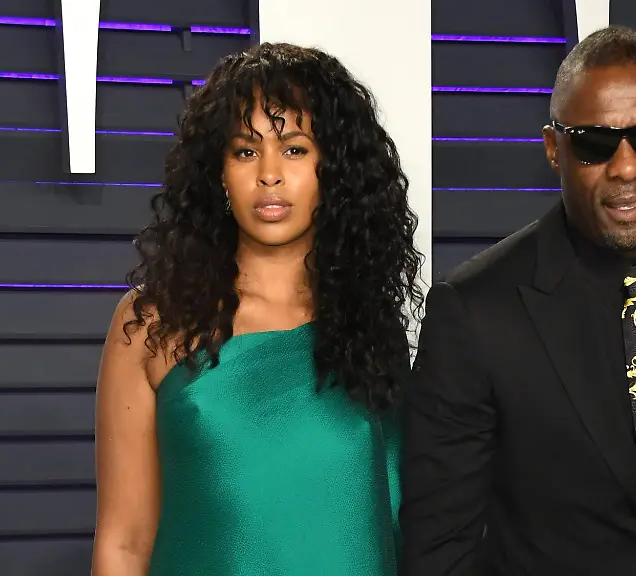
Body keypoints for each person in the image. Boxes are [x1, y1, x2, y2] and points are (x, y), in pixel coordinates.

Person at [400, 25, 636, 576]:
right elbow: (441, 549)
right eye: (594, 143)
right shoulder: (475, 313)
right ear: (553, 148)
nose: (626, 167)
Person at [90, 42, 424, 576]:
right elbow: (123, 544)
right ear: (217, 172)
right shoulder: (153, 323)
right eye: (246, 151)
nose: (270, 173)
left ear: (332, 167)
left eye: (294, 149)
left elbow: (396, 522)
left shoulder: (368, 326)